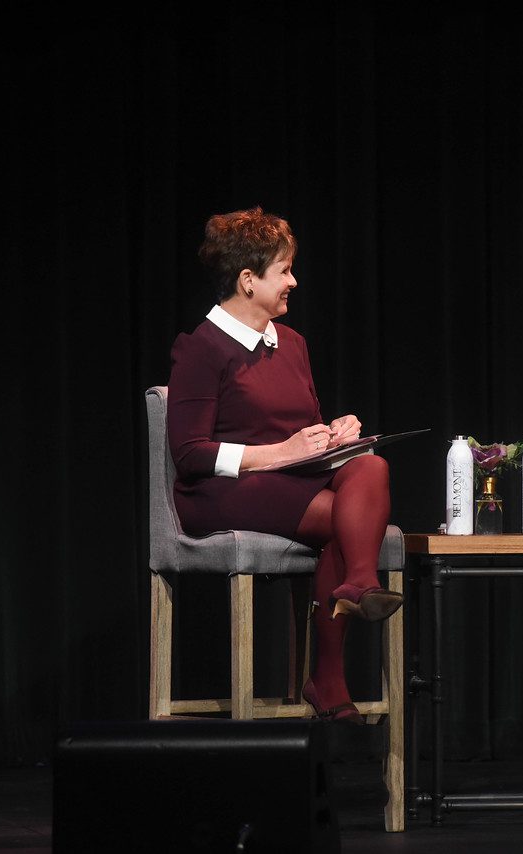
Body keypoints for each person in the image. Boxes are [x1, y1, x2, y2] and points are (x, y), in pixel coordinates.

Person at [167, 206, 401, 724]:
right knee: (348, 518)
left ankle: (359, 581)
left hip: (293, 480)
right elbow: (189, 452)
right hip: (223, 491)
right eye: (285, 270)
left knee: (370, 467)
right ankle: (330, 672)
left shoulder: (291, 343)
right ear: (248, 280)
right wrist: (281, 454)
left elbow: (305, 426)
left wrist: (333, 435)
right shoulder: (201, 348)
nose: (294, 281)